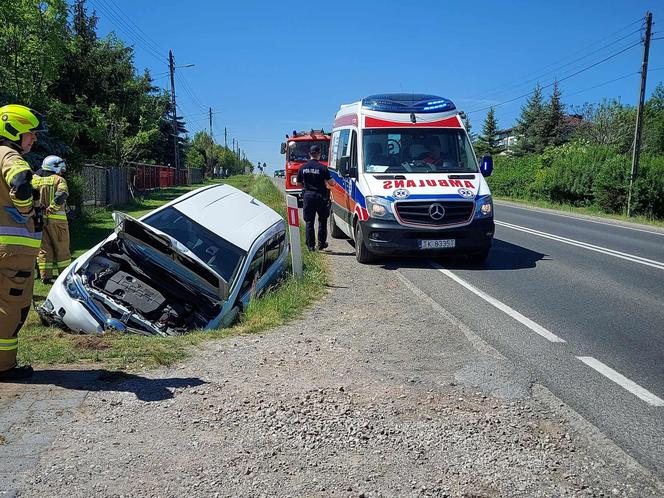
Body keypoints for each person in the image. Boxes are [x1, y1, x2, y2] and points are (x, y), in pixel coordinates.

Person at [0, 104, 46, 381]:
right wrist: (28, 209)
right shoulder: (9, 154)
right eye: (30, 133)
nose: (34, 138)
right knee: (11, 307)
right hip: (12, 252)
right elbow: (20, 180)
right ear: (13, 130)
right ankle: (4, 366)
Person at [32, 155, 70, 284]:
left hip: (39, 220)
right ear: (56, 167)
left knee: (44, 249)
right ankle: (64, 275)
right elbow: (62, 194)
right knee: (62, 248)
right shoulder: (59, 180)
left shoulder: (35, 180)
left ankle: (45, 276)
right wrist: (52, 208)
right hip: (58, 222)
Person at [296, 144, 334, 251]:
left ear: (309, 154)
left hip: (308, 196)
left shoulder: (302, 168)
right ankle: (321, 244)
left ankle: (311, 246)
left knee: (309, 222)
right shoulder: (322, 168)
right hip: (321, 197)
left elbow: (298, 183)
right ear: (319, 155)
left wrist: (306, 186)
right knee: (322, 220)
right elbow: (332, 183)